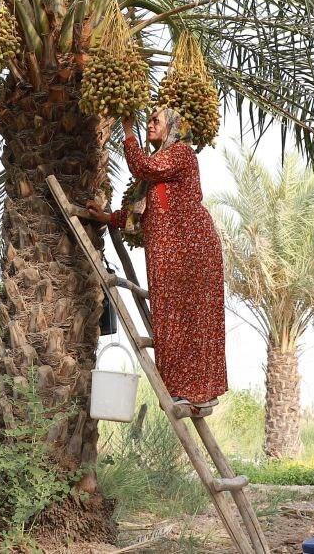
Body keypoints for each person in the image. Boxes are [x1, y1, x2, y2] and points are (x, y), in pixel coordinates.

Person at [82, 108, 228, 411]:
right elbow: (140, 211)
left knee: (194, 318)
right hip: (167, 252)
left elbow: (143, 166)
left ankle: (200, 392)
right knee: (169, 316)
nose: (150, 124)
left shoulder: (181, 154)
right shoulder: (156, 173)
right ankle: (183, 390)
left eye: (155, 121)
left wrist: (128, 131)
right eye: (147, 120)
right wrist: (107, 217)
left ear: (172, 126)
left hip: (192, 247)